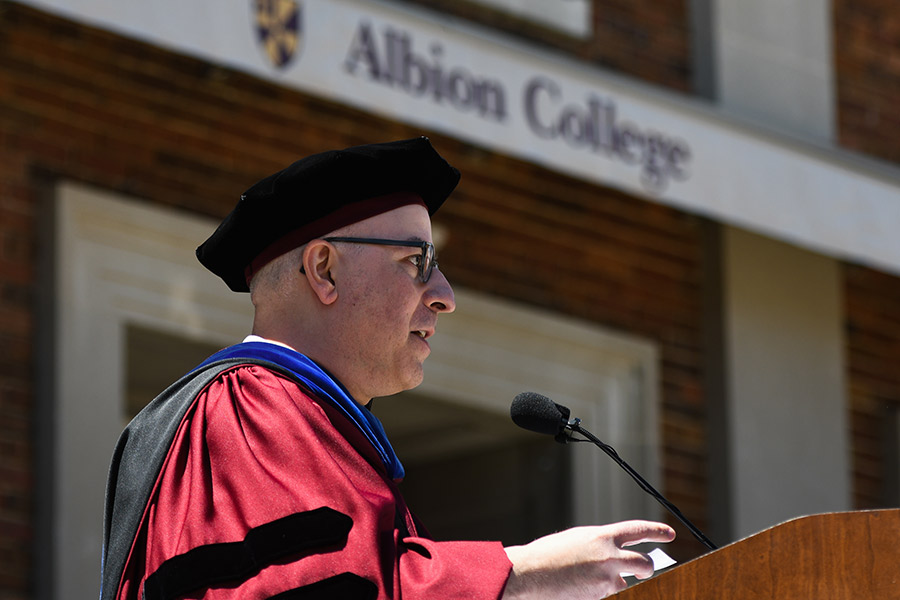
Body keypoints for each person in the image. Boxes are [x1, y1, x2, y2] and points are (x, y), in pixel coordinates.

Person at [100, 137, 675, 600]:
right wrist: (520, 574)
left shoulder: (308, 421)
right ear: (323, 269)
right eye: (415, 261)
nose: (445, 295)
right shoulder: (252, 409)